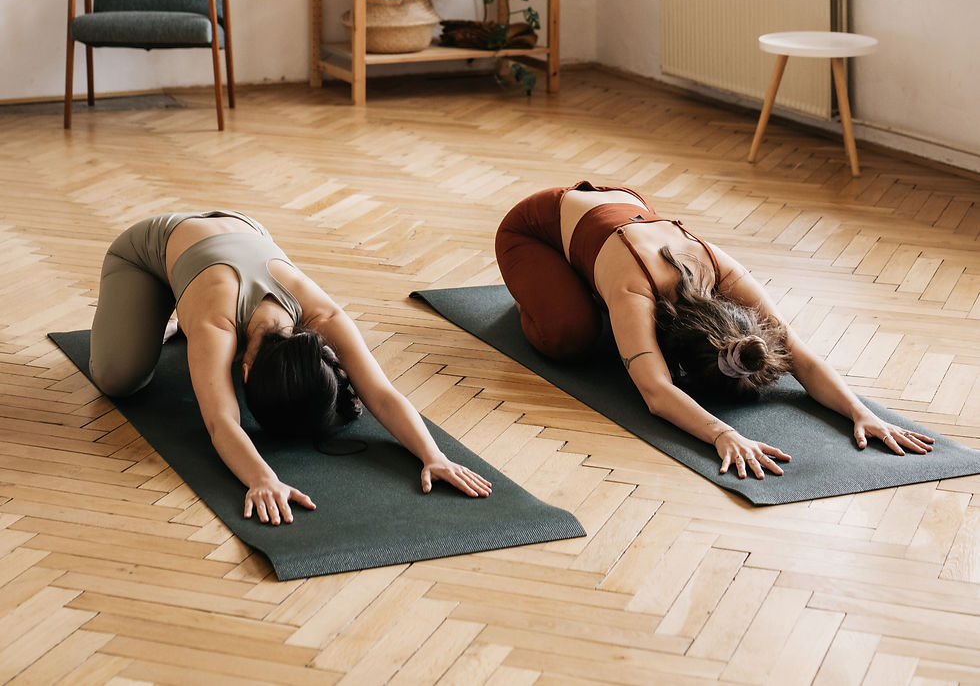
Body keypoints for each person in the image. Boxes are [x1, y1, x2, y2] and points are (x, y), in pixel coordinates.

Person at [495, 181, 934, 480]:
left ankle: (583, 286)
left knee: (617, 333)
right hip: (535, 227)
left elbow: (798, 354)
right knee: (570, 337)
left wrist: (862, 413)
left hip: (621, 206)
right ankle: (541, 291)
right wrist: (723, 433)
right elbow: (655, 391)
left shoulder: (725, 272)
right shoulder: (635, 289)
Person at [90, 210, 492, 523]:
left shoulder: (323, 316)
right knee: (118, 379)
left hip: (239, 231)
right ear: (244, 371)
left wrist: (433, 455)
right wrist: (262, 478)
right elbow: (221, 423)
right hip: (149, 249)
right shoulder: (217, 323)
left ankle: (182, 311)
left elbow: (382, 394)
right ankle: (172, 316)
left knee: (211, 358)